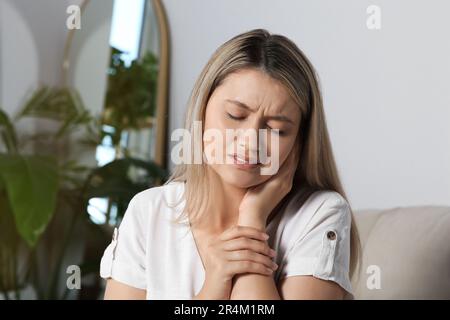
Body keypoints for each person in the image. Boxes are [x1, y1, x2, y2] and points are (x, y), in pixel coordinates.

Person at [100, 28, 360, 300]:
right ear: (202, 109)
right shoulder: (149, 212)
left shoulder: (320, 214)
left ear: (298, 141)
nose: (250, 142)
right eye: (235, 115)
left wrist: (252, 222)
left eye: (277, 130)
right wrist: (214, 284)